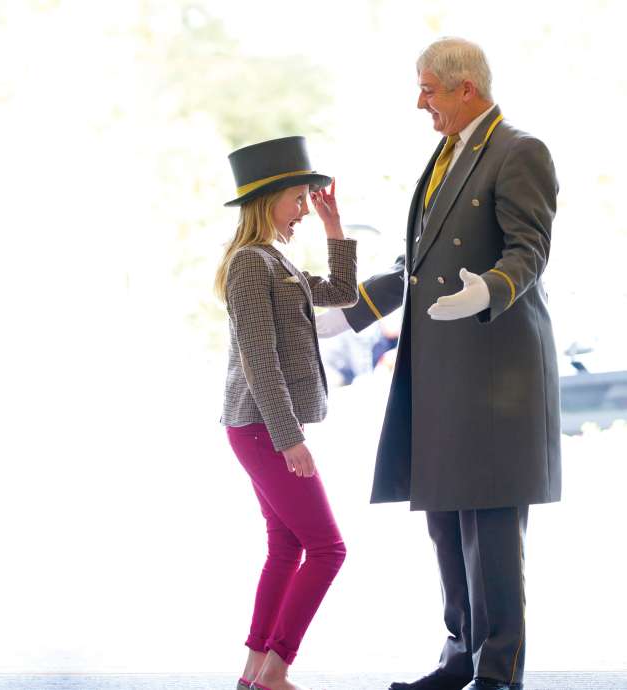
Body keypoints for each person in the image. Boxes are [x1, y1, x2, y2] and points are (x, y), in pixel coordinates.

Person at [317, 37, 560, 690]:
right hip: (441, 376)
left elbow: (528, 250)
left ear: (466, 90)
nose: (419, 101)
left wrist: (485, 292)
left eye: (428, 88)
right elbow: (413, 267)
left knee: (493, 533)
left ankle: (498, 675)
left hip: (493, 372)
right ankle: (460, 660)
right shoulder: (447, 154)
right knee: (446, 524)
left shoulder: (519, 151)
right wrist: (347, 313)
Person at [216, 136, 358, 690]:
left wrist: (333, 227)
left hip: (259, 426)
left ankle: (255, 671)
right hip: (261, 426)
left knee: (287, 546)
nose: (303, 208)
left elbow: (343, 292)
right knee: (327, 549)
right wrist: (287, 436)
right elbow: (259, 358)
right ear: (267, 199)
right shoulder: (251, 264)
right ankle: (276, 670)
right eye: (298, 199)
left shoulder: (274, 261)